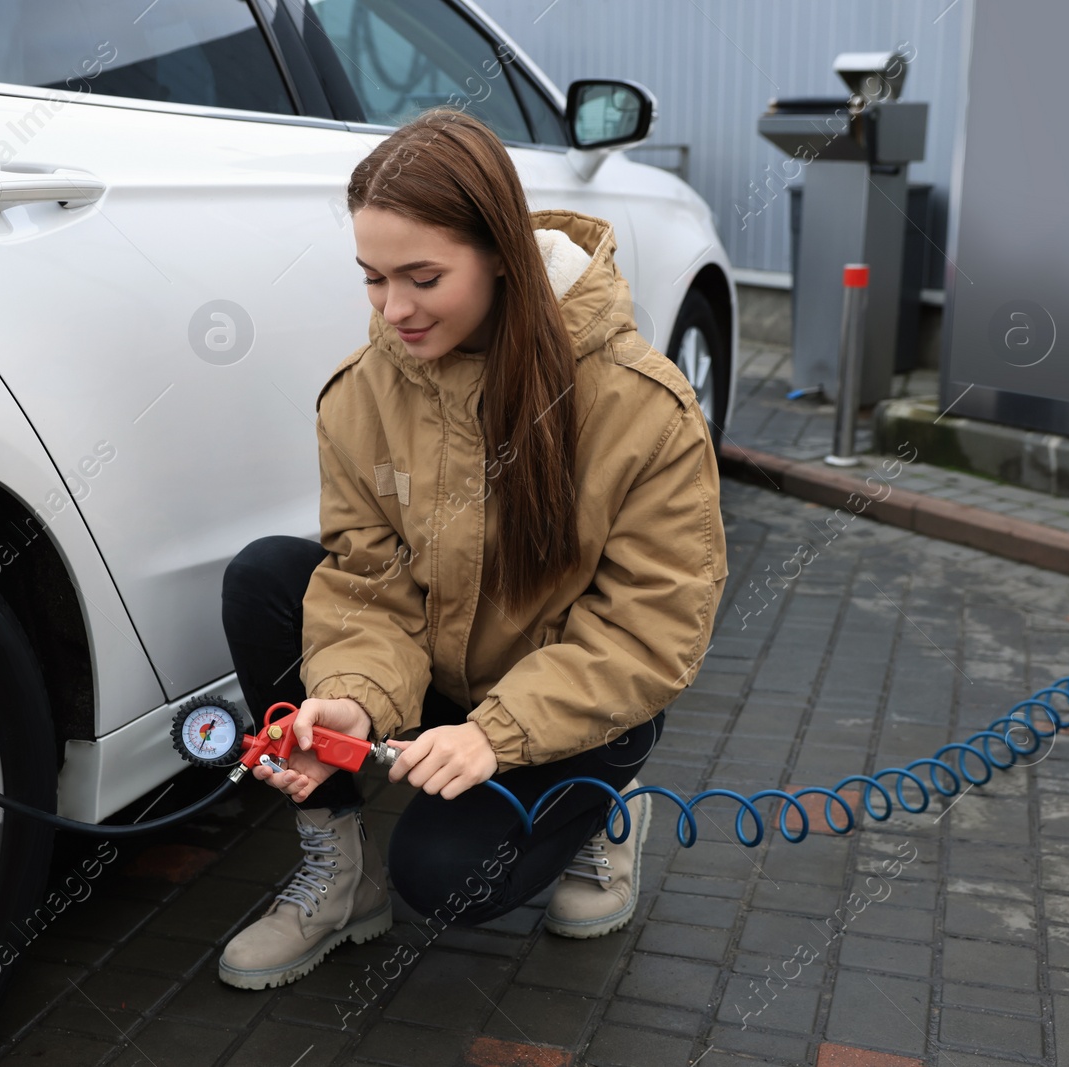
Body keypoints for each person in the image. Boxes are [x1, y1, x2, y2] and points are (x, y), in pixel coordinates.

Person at [216, 107, 727, 990]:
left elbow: (649, 629)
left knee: (449, 879)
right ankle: (340, 876)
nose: (394, 308)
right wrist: (350, 700)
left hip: (571, 699)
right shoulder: (362, 393)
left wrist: (498, 733)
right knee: (266, 576)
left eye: (422, 276)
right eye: (373, 277)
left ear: (501, 252)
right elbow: (367, 583)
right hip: (441, 672)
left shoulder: (643, 409)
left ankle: (603, 808)